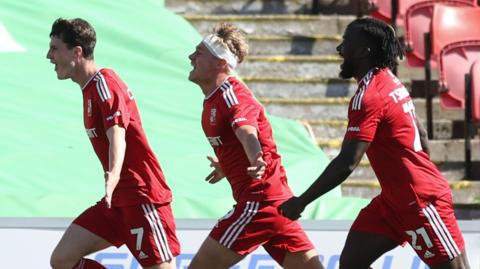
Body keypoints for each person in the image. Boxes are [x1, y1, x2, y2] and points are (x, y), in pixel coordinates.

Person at [279, 17, 470, 269]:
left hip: (420, 201)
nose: (340, 49)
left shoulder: (369, 96)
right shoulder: (389, 79)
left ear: (363, 51)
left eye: (345, 42)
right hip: (393, 202)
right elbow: (422, 136)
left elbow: (347, 163)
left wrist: (301, 201)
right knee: (351, 264)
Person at [186, 22, 325, 269]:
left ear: (220, 63)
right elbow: (240, 137)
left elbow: (248, 131)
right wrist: (229, 164)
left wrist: (255, 157)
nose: (191, 56)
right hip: (277, 203)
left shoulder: (233, 95)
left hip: (258, 203)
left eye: (199, 52)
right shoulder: (214, 99)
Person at [46, 18, 180, 269]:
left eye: (54, 48)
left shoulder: (104, 82)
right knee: (63, 259)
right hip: (117, 200)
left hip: (142, 196)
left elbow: (117, 131)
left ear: (77, 52)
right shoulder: (89, 89)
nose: (48, 56)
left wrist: (114, 175)